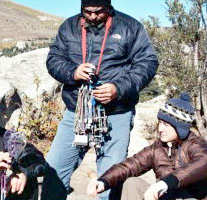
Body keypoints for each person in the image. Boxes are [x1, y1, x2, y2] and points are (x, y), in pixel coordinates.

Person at [45, 0, 158, 199]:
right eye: (87, 12)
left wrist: (119, 88)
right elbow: (53, 59)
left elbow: (147, 63)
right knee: (53, 171)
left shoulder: (130, 27)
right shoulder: (69, 27)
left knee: (109, 180)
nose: (93, 16)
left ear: (109, 7)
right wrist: (73, 72)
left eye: (99, 12)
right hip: (76, 111)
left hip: (116, 113)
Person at [86, 93, 207, 200]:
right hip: (166, 197)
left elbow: (203, 163)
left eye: (166, 125)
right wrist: (103, 181)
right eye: (160, 123)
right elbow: (130, 165)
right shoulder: (157, 147)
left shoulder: (196, 144)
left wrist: (167, 183)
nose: (160, 129)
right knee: (131, 184)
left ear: (180, 128)